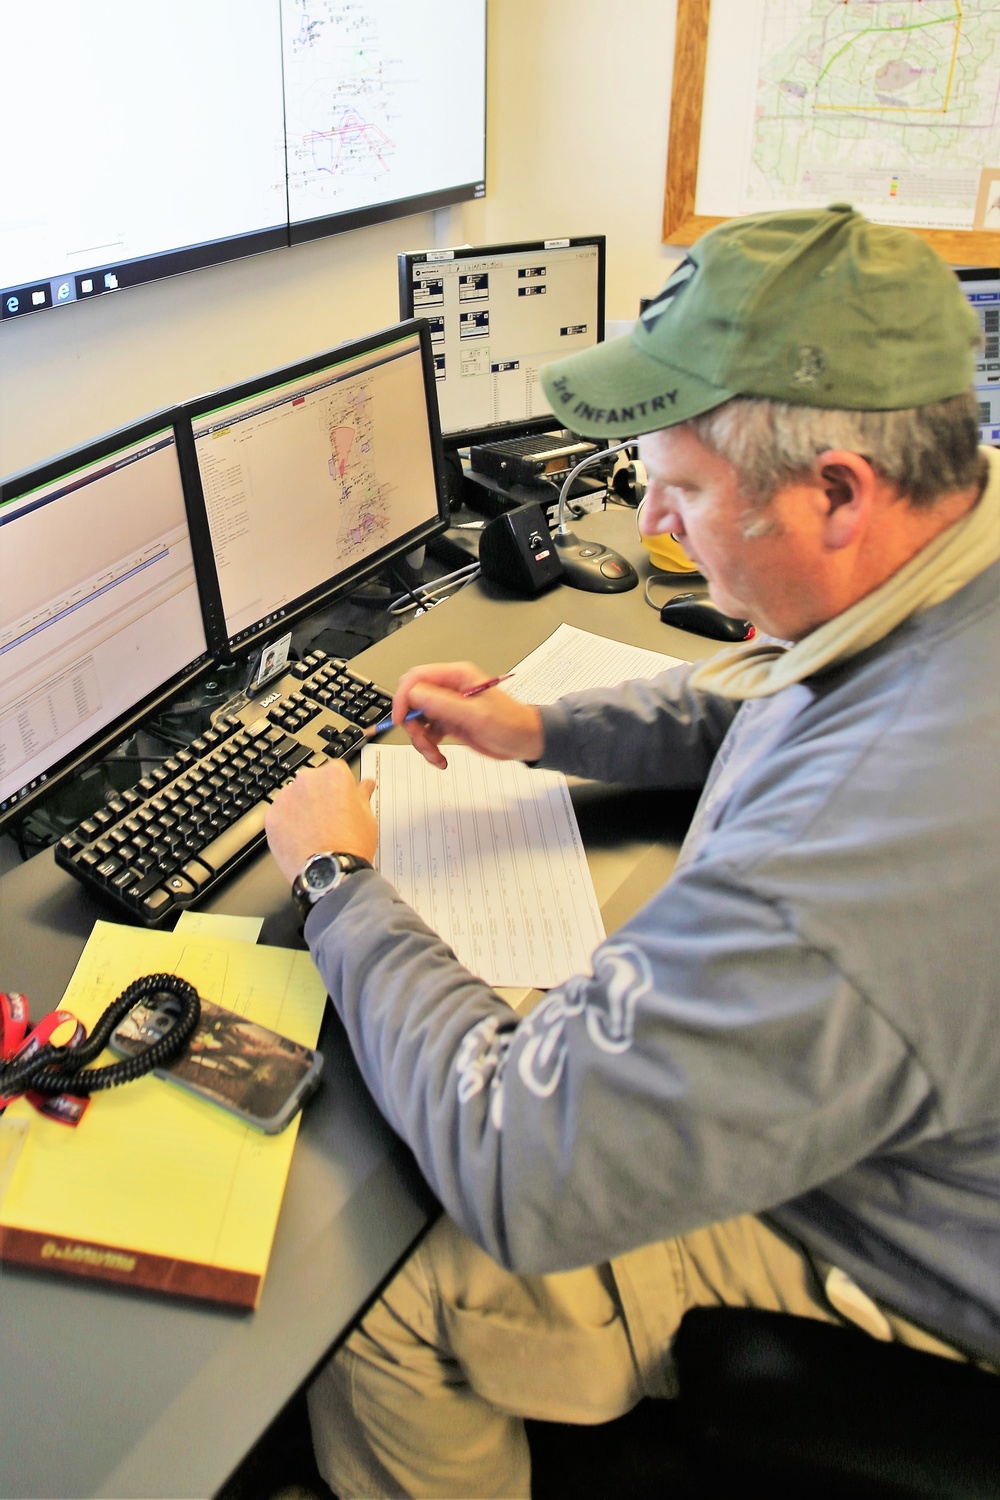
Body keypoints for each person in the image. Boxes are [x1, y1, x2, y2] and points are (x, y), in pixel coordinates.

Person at [265, 205, 1000, 1498]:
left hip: (905, 1256)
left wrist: (339, 883)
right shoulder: (956, 548)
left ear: (838, 492)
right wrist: (540, 724)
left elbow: (514, 1155)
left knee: (378, 1294)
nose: (646, 511)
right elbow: (779, 695)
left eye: (686, 486)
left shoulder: (850, 857)